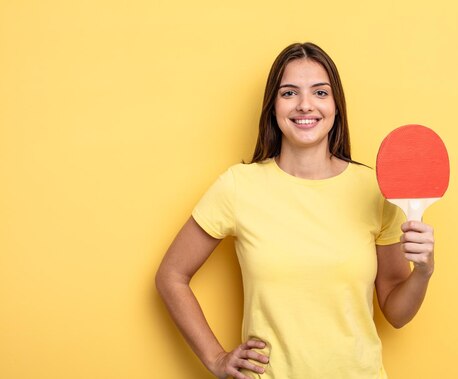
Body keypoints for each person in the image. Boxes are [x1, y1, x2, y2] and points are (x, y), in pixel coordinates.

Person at [155, 42, 435, 379]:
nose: (305, 105)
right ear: (273, 106)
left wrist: (422, 272)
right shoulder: (238, 186)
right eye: (289, 93)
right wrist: (215, 359)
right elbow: (171, 276)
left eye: (320, 92)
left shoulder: (375, 190)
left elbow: (397, 312)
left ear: (335, 106)